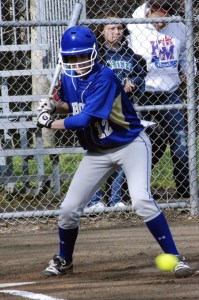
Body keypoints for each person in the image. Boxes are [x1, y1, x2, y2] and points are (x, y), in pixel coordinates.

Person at [36, 25, 192, 278]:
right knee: (68, 209)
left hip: (129, 144)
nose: (78, 62)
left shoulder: (105, 77)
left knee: (141, 201)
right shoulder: (68, 78)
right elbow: (71, 106)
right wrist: (54, 105)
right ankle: (64, 259)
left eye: (83, 56)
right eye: (72, 58)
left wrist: (48, 122)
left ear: (94, 54)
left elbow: (83, 119)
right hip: (98, 151)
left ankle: (175, 257)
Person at [127, 0, 193, 199]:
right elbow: (126, 58)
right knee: (144, 142)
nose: (162, 24)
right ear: (150, 11)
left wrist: (187, 71)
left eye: (167, 19)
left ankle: (186, 193)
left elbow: (185, 55)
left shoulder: (179, 26)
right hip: (142, 94)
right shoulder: (133, 26)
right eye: (159, 19)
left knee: (181, 140)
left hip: (170, 92)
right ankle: (129, 191)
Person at [87, 11, 147, 209]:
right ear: (102, 32)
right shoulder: (97, 56)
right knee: (99, 152)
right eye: (111, 28)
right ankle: (95, 201)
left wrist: (134, 83)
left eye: (119, 28)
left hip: (124, 110)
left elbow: (141, 78)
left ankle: (116, 199)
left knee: (125, 153)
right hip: (102, 110)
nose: (116, 32)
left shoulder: (132, 56)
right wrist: (120, 84)